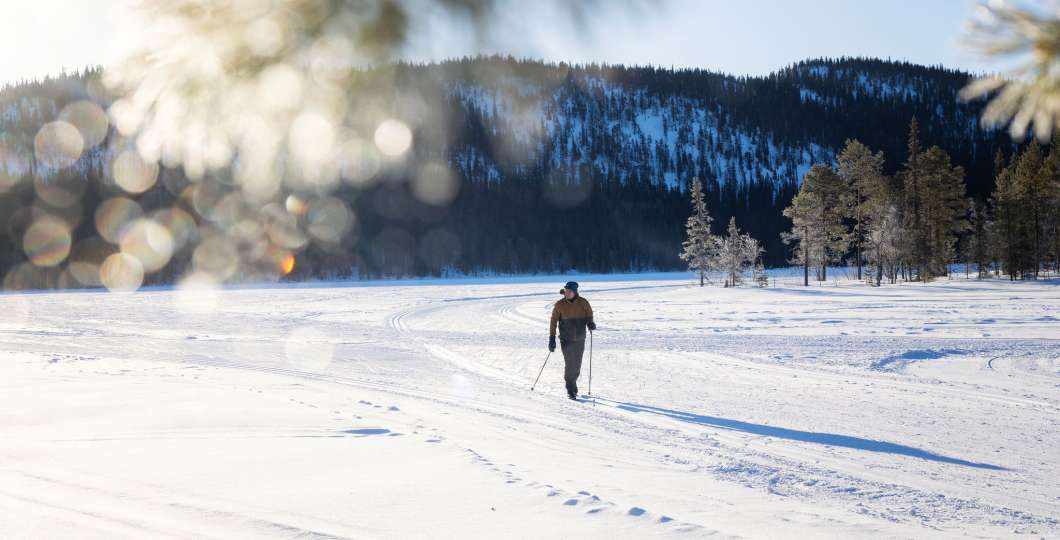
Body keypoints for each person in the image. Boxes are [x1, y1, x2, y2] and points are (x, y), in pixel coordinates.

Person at [548, 281, 595, 400]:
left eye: (569, 291)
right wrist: (552, 338)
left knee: (577, 364)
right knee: (570, 364)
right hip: (566, 339)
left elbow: (589, 314)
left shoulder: (583, 302)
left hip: (580, 338)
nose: (567, 293)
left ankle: (572, 384)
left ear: (575, 292)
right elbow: (553, 321)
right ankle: (571, 389)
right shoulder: (560, 304)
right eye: (566, 291)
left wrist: (590, 323)